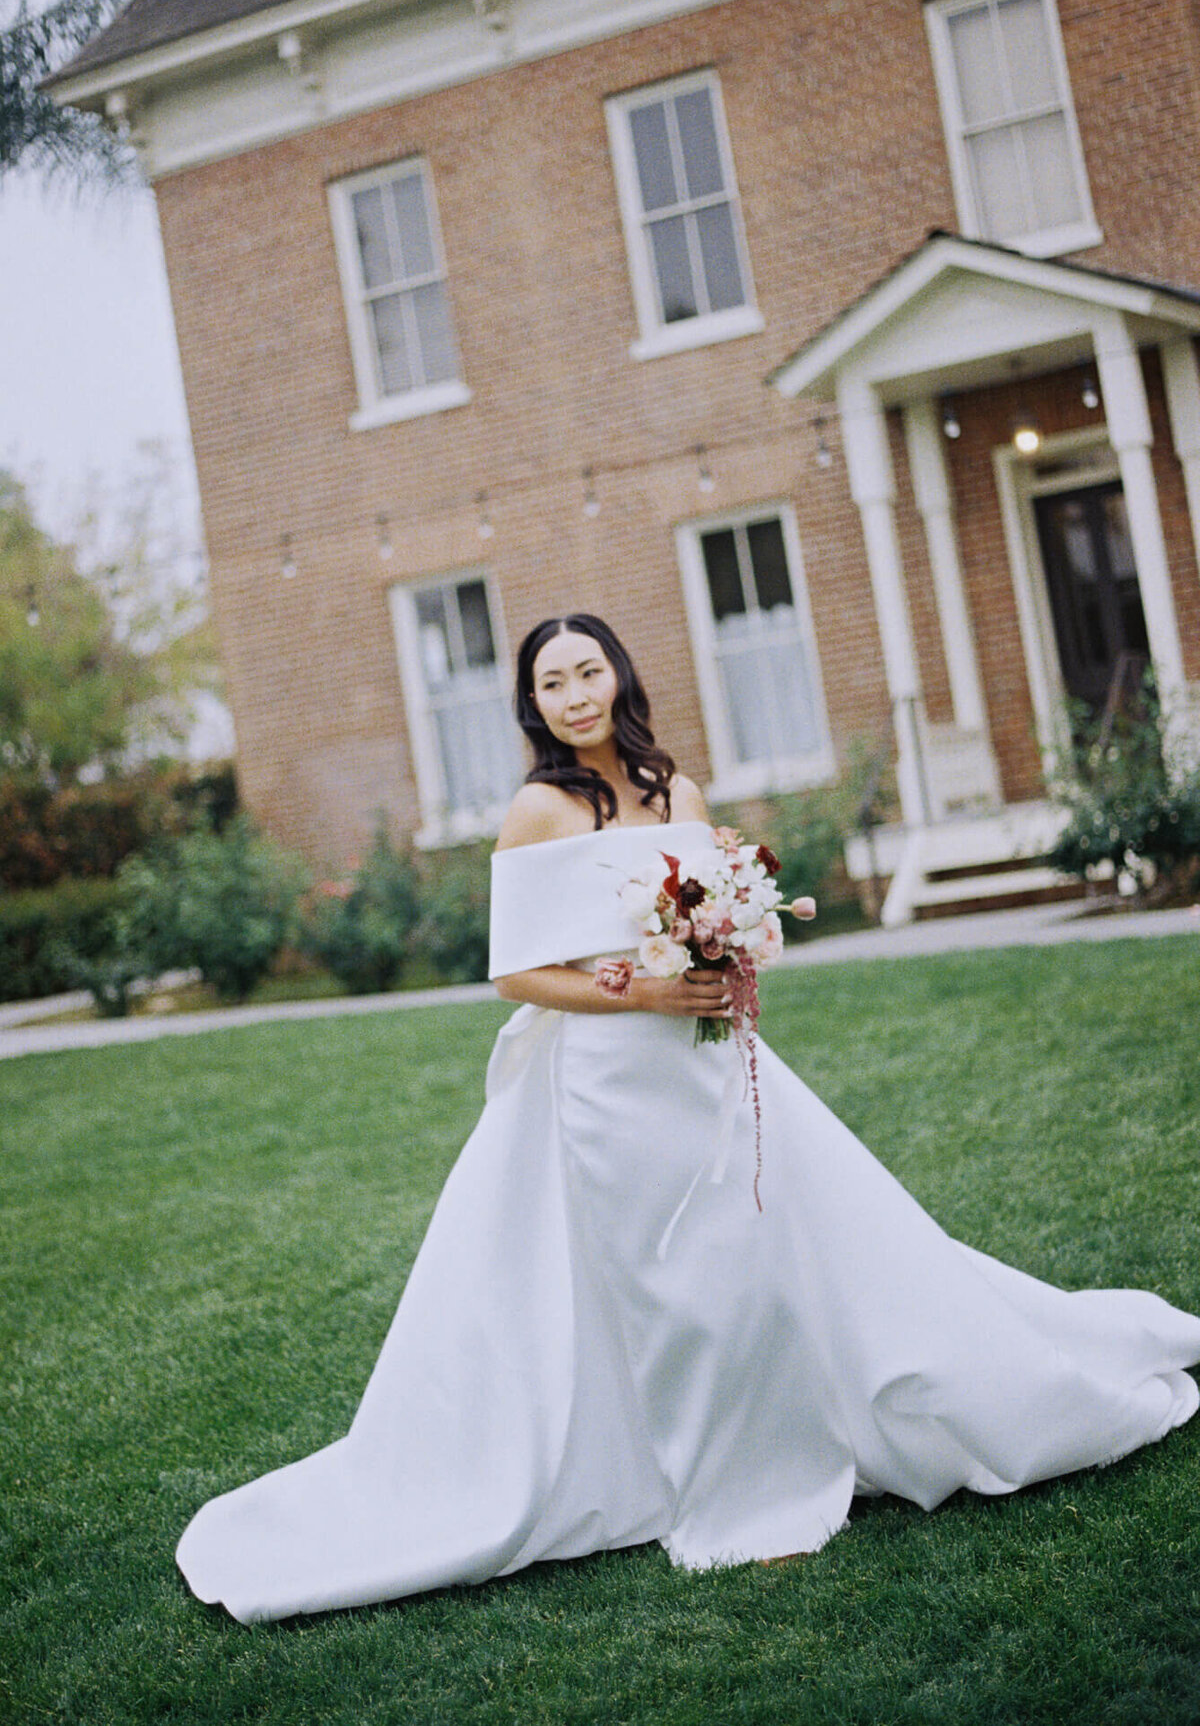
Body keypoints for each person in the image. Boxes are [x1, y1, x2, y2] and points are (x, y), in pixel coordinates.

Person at [176, 613, 1200, 1624]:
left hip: (712, 1063)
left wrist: (726, 955)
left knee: (781, 1255)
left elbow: (722, 919)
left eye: (588, 673)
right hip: (610, 1088)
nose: (575, 695)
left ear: (618, 674)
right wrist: (645, 992)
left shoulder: (677, 789)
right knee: (677, 1286)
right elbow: (515, 974)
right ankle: (724, 1488)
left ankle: (850, 1419)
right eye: (551, 684)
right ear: (531, 705)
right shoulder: (538, 809)